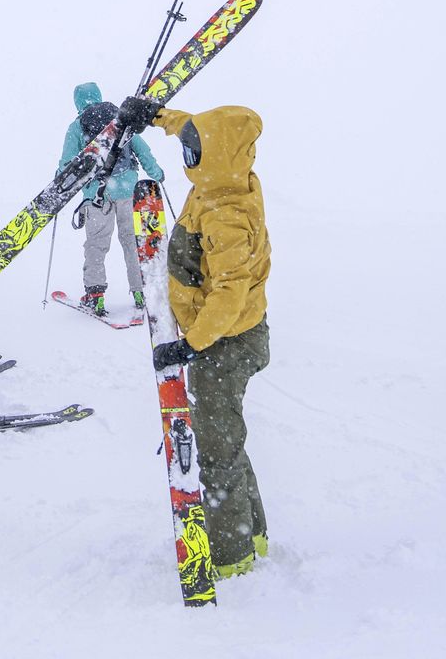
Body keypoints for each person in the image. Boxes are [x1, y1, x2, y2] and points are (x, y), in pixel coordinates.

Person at [120, 96, 271, 580]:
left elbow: (230, 293)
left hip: (225, 344)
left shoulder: (227, 213)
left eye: (194, 152)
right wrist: (157, 116)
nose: (187, 159)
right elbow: (196, 129)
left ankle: (230, 555)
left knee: (216, 448)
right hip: (223, 338)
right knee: (228, 439)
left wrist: (191, 343)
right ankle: (254, 533)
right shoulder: (219, 177)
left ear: (216, 155)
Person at [61, 83, 165, 315]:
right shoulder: (121, 119)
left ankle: (95, 296)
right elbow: (142, 149)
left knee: (97, 244)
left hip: (97, 194)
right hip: (128, 189)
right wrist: (156, 173)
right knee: (132, 241)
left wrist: (58, 185)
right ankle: (140, 292)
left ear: (77, 102)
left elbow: (67, 165)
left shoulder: (77, 127)